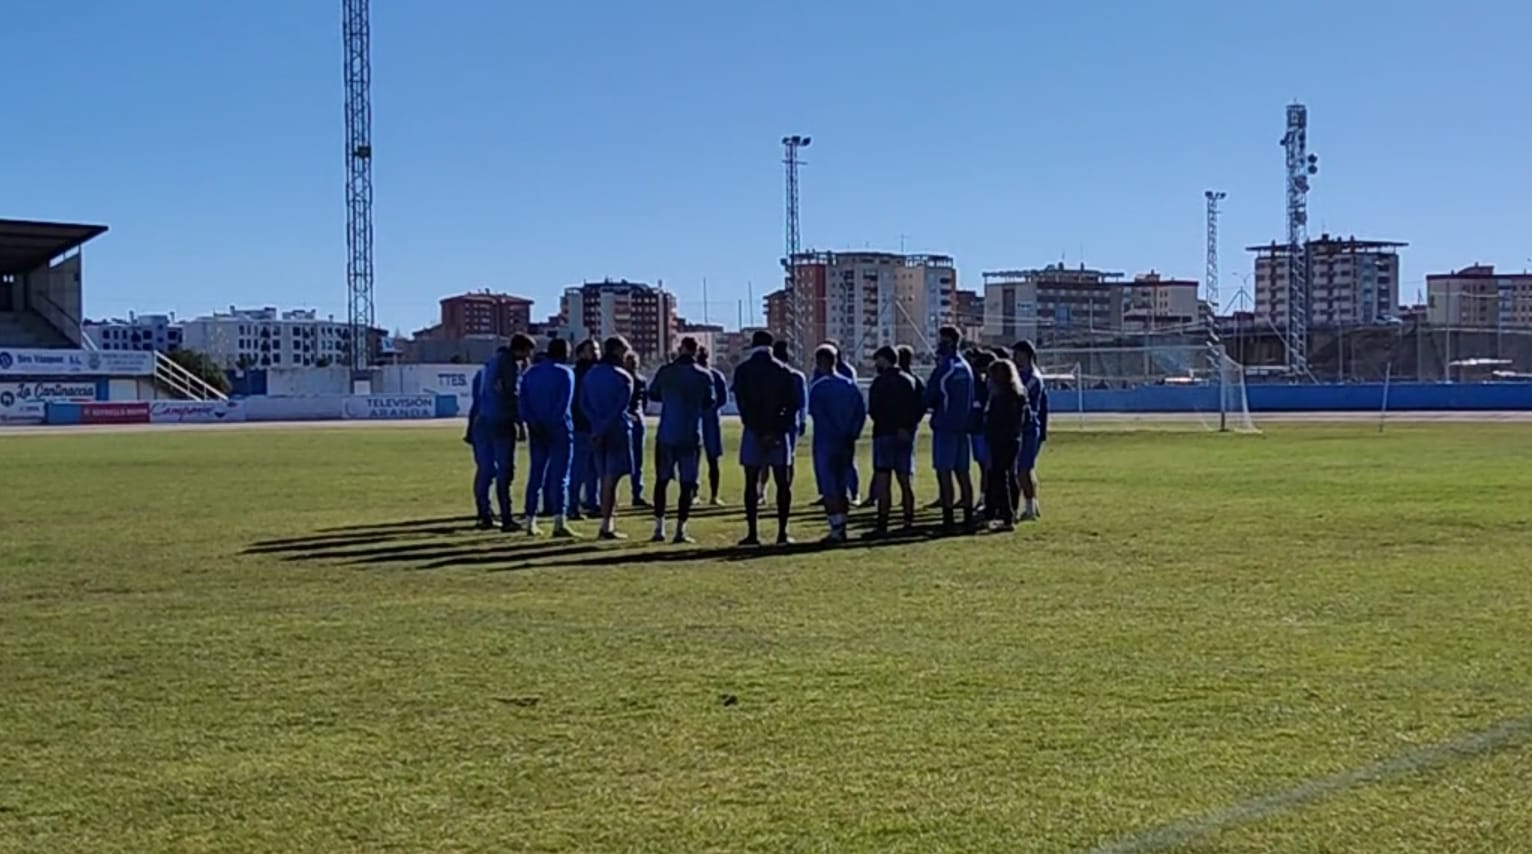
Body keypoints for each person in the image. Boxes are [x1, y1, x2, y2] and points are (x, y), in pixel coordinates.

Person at [732, 330, 798, 546]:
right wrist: (776, 431)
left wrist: (758, 430)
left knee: (751, 483)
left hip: (753, 432)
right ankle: (782, 532)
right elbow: (791, 406)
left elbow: (743, 405)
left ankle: (753, 532)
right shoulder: (783, 371)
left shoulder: (743, 371)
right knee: (783, 483)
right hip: (778, 434)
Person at [646, 336, 715, 543]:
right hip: (690, 434)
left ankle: (659, 527)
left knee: (662, 481)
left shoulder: (665, 372)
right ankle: (680, 529)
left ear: (680, 348)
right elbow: (709, 402)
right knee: (687, 483)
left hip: (667, 432)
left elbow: (653, 394)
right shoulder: (704, 375)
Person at [466, 335, 535, 531]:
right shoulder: (510, 366)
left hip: (482, 423)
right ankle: (506, 517)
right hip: (501, 422)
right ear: (521, 350)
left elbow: (477, 399)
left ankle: (484, 514)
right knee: (505, 470)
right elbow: (511, 395)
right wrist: (520, 422)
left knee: (486, 470)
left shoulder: (486, 368)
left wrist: (471, 428)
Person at [519, 337, 577, 537]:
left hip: (537, 429)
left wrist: (533, 422)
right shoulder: (565, 373)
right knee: (561, 476)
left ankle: (530, 520)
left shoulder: (530, 373)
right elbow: (563, 403)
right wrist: (551, 422)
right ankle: (559, 521)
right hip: (559, 428)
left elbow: (523, 402)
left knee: (536, 474)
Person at [808, 345, 867, 543]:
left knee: (829, 487)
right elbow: (860, 414)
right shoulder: (850, 385)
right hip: (847, 442)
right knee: (842, 486)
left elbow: (818, 415)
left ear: (819, 363)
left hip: (826, 443)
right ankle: (842, 526)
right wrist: (852, 434)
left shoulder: (818, 388)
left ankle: (836, 528)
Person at [580, 336, 636, 540]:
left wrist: (596, 426)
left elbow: (583, 403)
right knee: (612, 479)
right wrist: (604, 427)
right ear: (619, 351)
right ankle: (607, 524)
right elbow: (620, 407)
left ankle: (607, 522)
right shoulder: (623, 377)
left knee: (604, 475)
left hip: (596, 430)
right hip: (616, 431)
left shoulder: (590, 375)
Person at [925, 326, 976, 534]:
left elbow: (930, 396)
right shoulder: (966, 367)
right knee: (963, 473)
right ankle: (968, 519)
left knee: (944, 473)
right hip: (963, 427)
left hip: (945, 426)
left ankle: (948, 521)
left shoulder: (945, 368)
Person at [868, 345, 922, 535]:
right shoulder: (910, 381)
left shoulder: (879, 383)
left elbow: (874, 410)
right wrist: (906, 428)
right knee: (905, 481)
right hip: (904, 437)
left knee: (883, 481)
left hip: (883, 435)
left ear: (885, 360)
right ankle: (908, 520)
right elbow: (917, 408)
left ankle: (882, 522)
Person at [759, 340, 808, 502]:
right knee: (788, 459)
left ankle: (762, 491)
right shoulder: (796, 376)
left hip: (769, 422)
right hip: (789, 424)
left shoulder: (768, 375)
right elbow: (802, 402)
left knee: (765, 458)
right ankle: (785, 490)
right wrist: (802, 421)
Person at [982, 358, 1028, 531]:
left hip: (1001, 440)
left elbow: (995, 420)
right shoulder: (1018, 395)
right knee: (1006, 475)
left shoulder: (1002, 397)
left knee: (999, 477)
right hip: (1013, 439)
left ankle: (1006, 516)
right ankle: (1004, 513)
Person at [1013, 339, 1050, 521]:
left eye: (1017, 354)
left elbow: (1021, 394)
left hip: (1029, 427)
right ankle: (1032, 505)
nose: (1014, 358)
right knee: (1026, 469)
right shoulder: (1022, 374)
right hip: (1023, 427)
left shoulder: (1033, 377)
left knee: (1023, 469)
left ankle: (1029, 507)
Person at [569, 338, 600, 519]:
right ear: (581, 353)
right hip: (581, 426)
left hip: (594, 426)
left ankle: (592, 502)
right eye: (591, 350)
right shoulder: (578, 374)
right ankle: (572, 505)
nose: (596, 353)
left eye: (596, 349)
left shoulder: (595, 372)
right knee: (579, 469)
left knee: (593, 469)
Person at [696, 347, 729, 505]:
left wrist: (711, 408)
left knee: (712, 459)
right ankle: (694, 493)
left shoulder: (716, 376)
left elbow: (723, 399)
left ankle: (714, 495)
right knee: (694, 459)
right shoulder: (695, 375)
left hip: (711, 421)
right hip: (697, 420)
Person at [968, 349, 995, 514]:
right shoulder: (980, 384)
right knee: (983, 465)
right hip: (978, 429)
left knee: (987, 466)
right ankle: (985, 497)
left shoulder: (988, 385)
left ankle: (987, 498)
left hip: (984, 430)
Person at [624, 352, 651, 509]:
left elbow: (644, 401)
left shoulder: (641, 381)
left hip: (637, 419)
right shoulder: (627, 379)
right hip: (632, 418)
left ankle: (637, 493)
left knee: (638, 459)